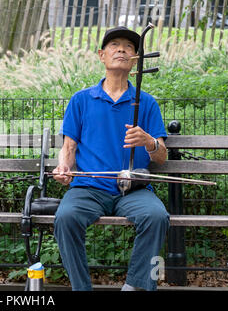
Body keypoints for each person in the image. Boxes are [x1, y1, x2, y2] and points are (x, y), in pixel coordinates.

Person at [52, 26, 169, 291]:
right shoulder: (81, 100)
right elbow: (68, 147)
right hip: (88, 188)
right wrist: (63, 167)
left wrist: (149, 142)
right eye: (114, 45)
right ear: (101, 55)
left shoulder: (146, 103)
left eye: (129, 47)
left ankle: (135, 287)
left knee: (157, 216)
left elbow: (161, 157)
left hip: (134, 189)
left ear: (135, 60)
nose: (121, 50)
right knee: (65, 217)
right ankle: (81, 288)